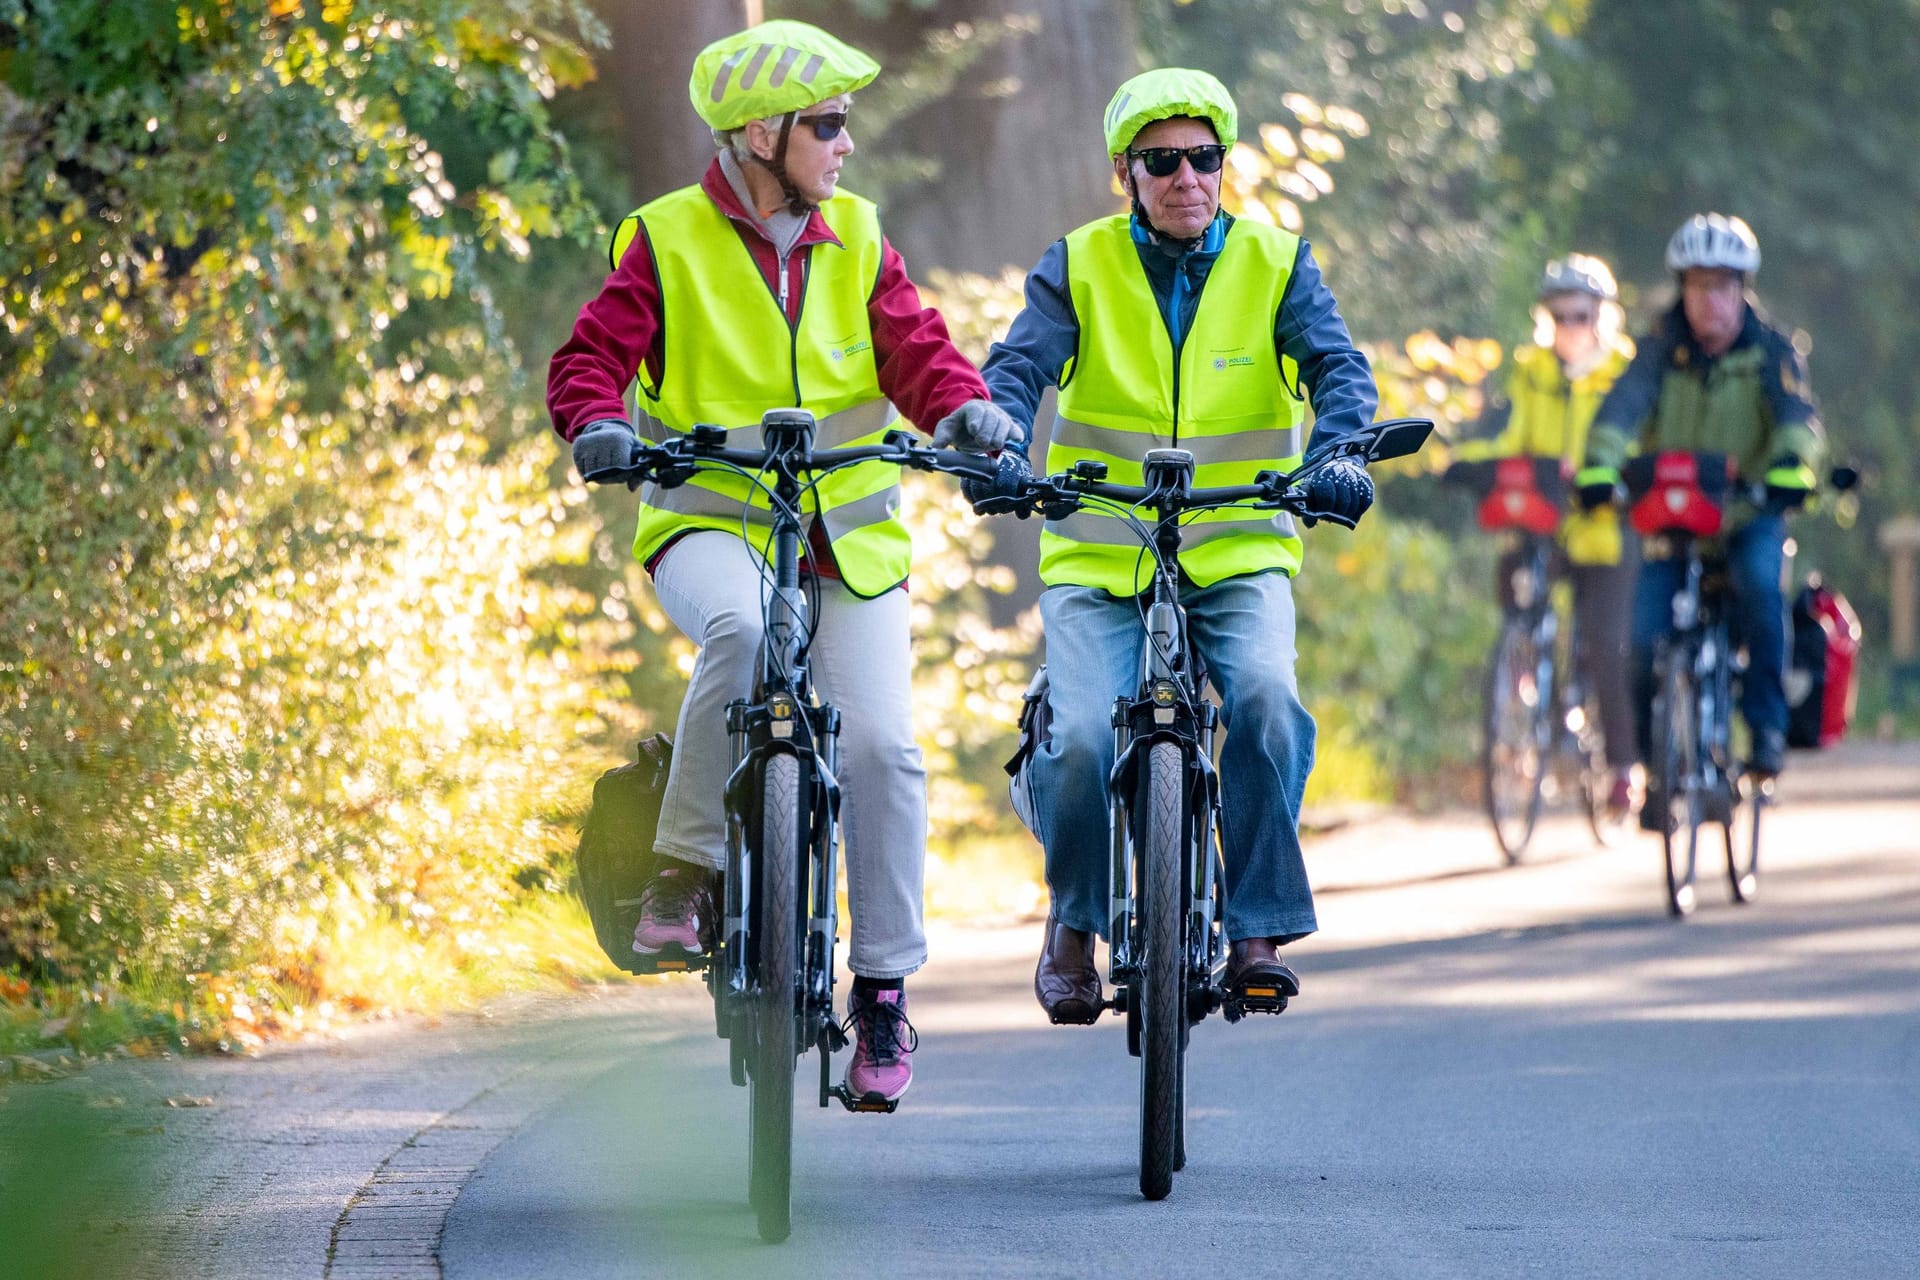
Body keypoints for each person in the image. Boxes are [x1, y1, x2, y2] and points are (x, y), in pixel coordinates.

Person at [546, 19, 1017, 1104]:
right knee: (743, 633)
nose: (846, 144)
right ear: (763, 134)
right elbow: (591, 360)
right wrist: (595, 425)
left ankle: (886, 991)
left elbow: (916, 349)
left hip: (845, 540)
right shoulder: (665, 239)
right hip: (712, 524)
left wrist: (965, 409)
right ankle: (685, 872)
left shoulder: (857, 234)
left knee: (888, 751)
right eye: (828, 124)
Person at [977, 68, 1379, 1024]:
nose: (1186, 178)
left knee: (1268, 704)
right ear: (1126, 172)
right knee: (1076, 735)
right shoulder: (1076, 264)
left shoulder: (1278, 263)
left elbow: (1338, 372)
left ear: (1223, 165)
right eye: (1162, 162)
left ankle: (1256, 927)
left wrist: (1341, 456)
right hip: (1100, 551)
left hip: (1237, 546)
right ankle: (1073, 924)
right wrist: (993, 439)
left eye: (1204, 158)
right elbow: (1017, 368)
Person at [1576, 213, 1825, 822]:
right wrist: (1599, 466)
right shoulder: (1659, 349)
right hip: (1676, 517)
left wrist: (1792, 465)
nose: (1708, 300)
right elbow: (1621, 410)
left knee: (1763, 594)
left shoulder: (1771, 351)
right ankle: (1656, 764)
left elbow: (1798, 418)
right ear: (1681, 290)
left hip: (1747, 515)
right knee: (1638, 639)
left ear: (1742, 290)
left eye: (1721, 286)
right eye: (1697, 286)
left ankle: (1764, 737)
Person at [1459, 255, 1641, 815]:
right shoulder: (1531, 370)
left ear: (1602, 318)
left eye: (1581, 315)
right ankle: (1526, 683)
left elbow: (1635, 443)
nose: (1569, 327)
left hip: (1606, 533)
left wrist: (1604, 481)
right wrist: (1467, 463)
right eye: (1559, 316)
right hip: (1547, 523)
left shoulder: (1626, 373)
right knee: (1514, 583)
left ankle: (1623, 766)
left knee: (1607, 642)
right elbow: (1510, 437)